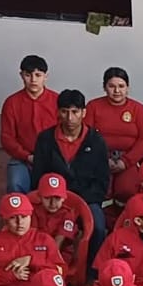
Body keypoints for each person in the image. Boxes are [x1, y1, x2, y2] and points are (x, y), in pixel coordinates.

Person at [31, 89, 111, 246]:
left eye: (75, 112)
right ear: (58, 112)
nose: (69, 118)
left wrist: (79, 203)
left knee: (99, 228)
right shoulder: (45, 139)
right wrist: (54, 199)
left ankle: (92, 270)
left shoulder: (97, 142)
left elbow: (102, 182)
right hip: (52, 200)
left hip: (87, 200)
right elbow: (38, 176)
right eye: (65, 111)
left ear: (84, 113)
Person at [0, 193, 66, 286]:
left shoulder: (45, 240)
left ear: (31, 216)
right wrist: (9, 275)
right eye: (13, 218)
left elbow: (61, 273)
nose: (20, 222)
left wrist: (32, 260)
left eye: (24, 217)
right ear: (4, 219)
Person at [85, 67, 143, 206]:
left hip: (129, 160)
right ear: (104, 87)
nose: (117, 91)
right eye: (111, 86)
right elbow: (87, 136)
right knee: (101, 190)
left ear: (127, 88)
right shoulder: (93, 106)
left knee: (127, 190)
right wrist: (103, 159)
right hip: (99, 159)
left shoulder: (138, 109)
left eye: (121, 86)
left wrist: (126, 161)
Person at [2, 54, 57, 193]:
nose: (33, 80)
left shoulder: (57, 101)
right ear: (21, 75)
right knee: (15, 185)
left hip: (53, 159)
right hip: (22, 159)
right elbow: (7, 138)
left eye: (38, 75)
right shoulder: (11, 103)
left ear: (46, 76)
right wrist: (27, 156)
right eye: (28, 75)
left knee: (56, 190)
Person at [27, 172, 93, 276]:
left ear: (64, 198)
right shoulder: (34, 210)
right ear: (40, 197)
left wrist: (43, 261)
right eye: (47, 198)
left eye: (57, 198)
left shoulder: (68, 214)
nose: (53, 203)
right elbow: (31, 237)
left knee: (49, 272)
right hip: (35, 250)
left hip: (59, 253)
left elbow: (58, 242)